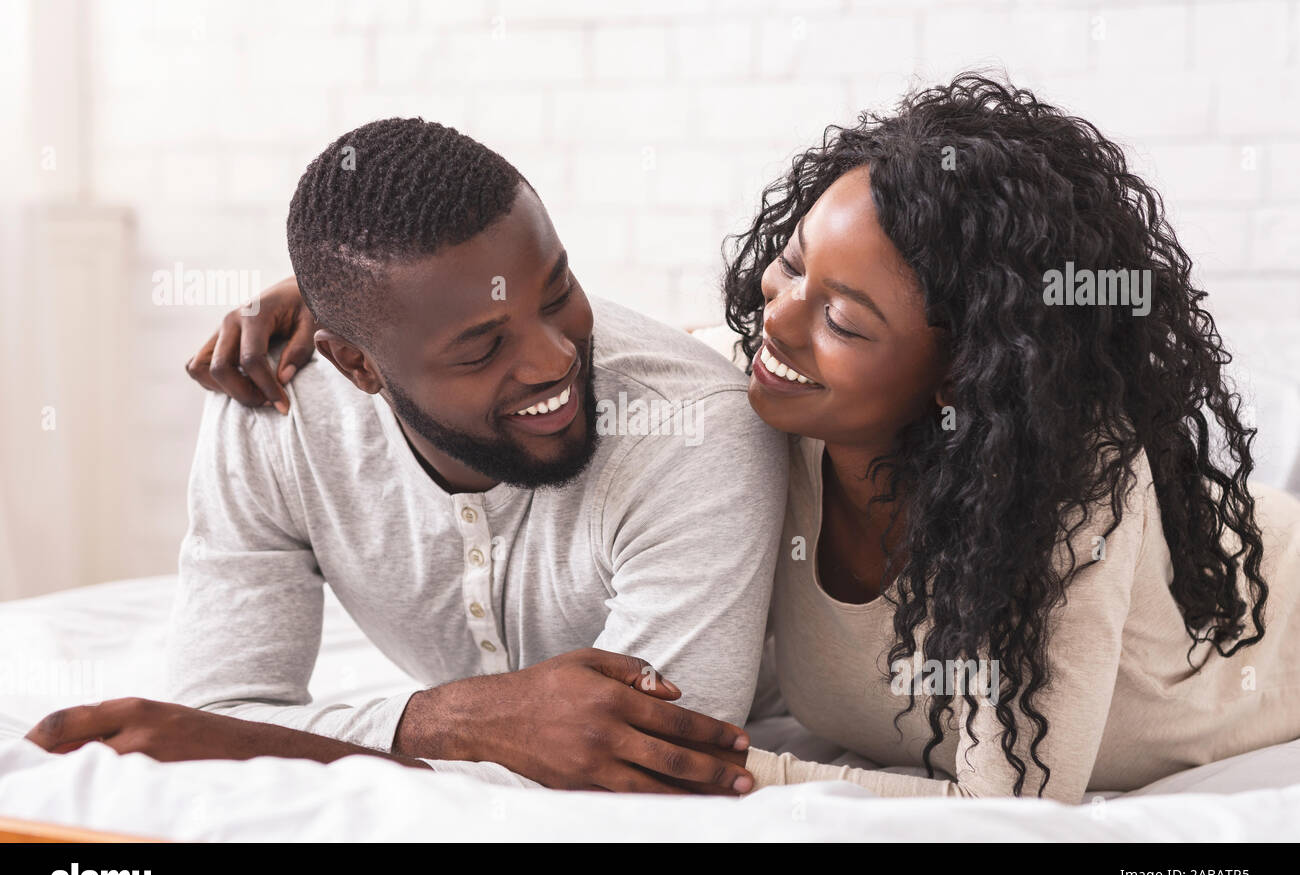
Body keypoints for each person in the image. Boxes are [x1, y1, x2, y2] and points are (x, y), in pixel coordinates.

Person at [178, 75, 1300, 805]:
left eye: (843, 320)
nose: (776, 318)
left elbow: (1004, 808)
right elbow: (594, 345)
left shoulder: (1065, 496)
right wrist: (341, 299)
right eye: (793, 262)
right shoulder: (776, 413)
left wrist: (745, 768)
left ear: (964, 370)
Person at [25, 118, 790, 796]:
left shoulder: (695, 430)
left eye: (557, 292)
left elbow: (654, 756)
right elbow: (220, 714)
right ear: (359, 368)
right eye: (484, 346)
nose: (555, 359)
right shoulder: (276, 411)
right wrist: (452, 720)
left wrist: (305, 732)